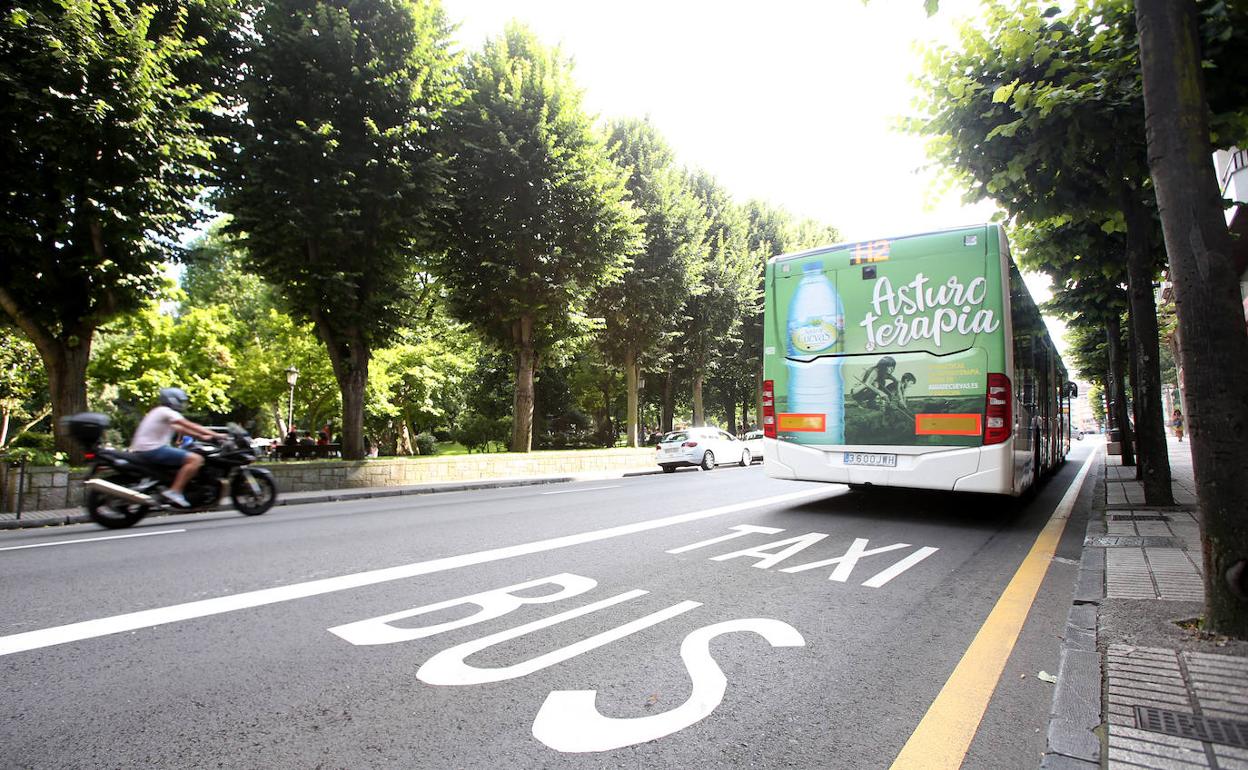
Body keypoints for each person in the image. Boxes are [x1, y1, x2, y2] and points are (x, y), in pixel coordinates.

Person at [129, 387, 223, 508]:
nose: (183, 404)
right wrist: (216, 435)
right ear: (173, 400)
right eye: (181, 401)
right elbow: (187, 424)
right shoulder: (166, 411)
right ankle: (175, 491)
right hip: (153, 449)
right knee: (196, 459)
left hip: (144, 449)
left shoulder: (158, 411)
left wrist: (202, 436)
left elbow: (181, 429)